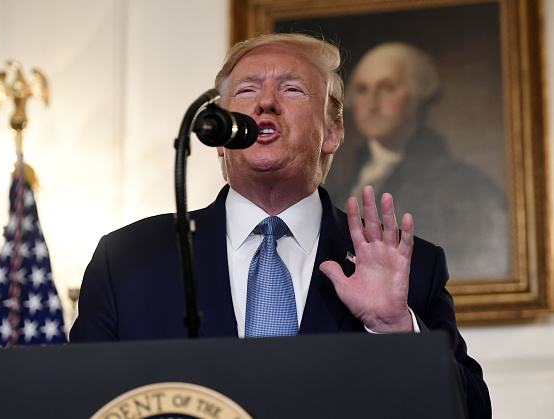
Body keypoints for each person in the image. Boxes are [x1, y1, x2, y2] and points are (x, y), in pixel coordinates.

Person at [70, 33, 490, 418]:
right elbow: (80, 402)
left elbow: (472, 411)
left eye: (291, 89)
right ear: (219, 133)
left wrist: (397, 330)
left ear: (332, 132)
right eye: (247, 90)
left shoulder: (408, 266)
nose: (265, 102)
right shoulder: (127, 261)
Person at [325, 42, 509, 277]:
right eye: (362, 89)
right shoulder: (342, 185)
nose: (372, 101)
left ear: (419, 95)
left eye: (387, 88)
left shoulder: (466, 186)